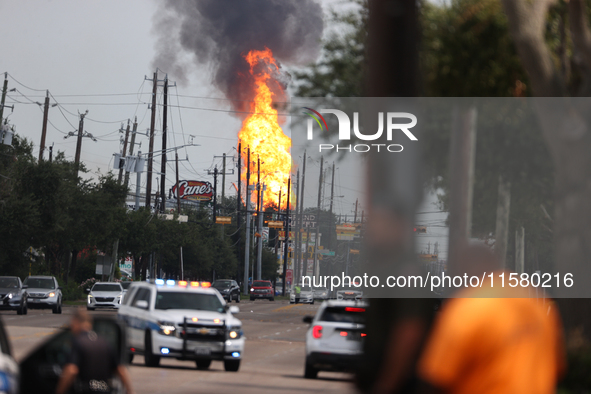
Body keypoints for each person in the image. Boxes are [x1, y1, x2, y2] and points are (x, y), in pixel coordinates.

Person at [417, 245, 566, 394]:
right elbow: (556, 367)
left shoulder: (466, 308)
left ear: (463, 271)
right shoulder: (537, 303)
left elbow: (435, 378)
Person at [56, 308, 135, 394]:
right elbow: (120, 369)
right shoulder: (104, 342)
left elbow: (71, 370)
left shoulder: (78, 342)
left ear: (76, 322)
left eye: (72, 323)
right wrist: (130, 391)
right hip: (105, 390)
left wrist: (60, 391)